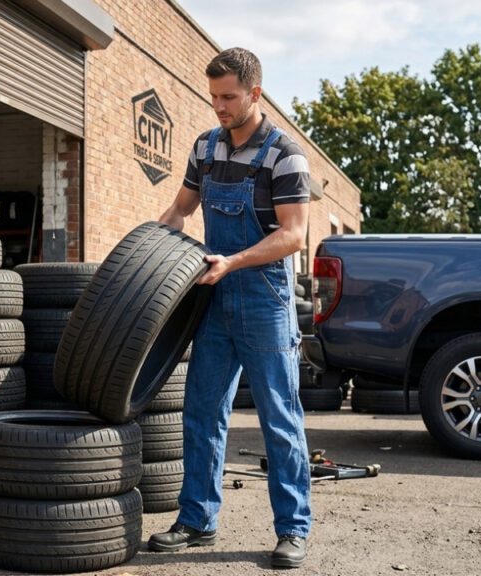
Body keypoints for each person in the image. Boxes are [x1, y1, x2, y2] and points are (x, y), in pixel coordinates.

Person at [149, 47, 312, 569]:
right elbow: (180, 209)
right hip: (214, 298)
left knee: (279, 420)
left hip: (264, 300)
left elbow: (293, 236)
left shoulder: (284, 155)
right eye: (213, 96)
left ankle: (293, 530)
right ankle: (196, 520)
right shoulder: (205, 147)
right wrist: (147, 254)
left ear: (254, 94)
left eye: (228, 97)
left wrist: (234, 260)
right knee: (201, 413)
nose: (217, 106)